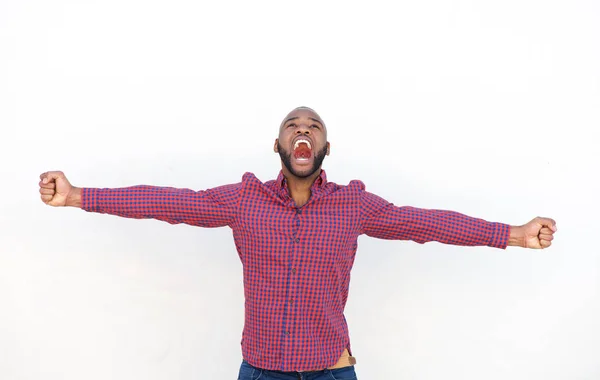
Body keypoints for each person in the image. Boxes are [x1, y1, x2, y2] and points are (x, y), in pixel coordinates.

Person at [39, 106, 557, 380]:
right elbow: (170, 202)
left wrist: (511, 235)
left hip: (332, 374)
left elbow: (424, 223)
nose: (301, 131)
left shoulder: (354, 205)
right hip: (260, 372)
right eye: (292, 125)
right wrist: (79, 196)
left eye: (313, 127)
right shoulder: (243, 201)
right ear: (279, 145)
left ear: (325, 148)